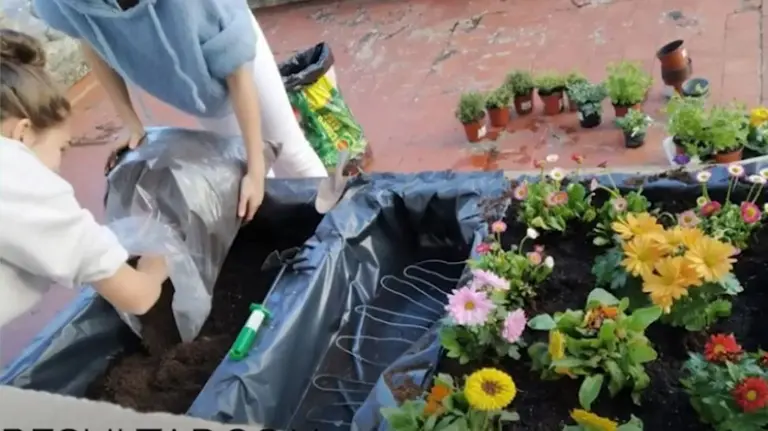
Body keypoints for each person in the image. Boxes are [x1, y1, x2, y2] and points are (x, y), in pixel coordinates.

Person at [32, 0, 329, 222]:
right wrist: (130, 121)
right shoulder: (67, 3)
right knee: (246, 176)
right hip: (193, 86)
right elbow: (92, 42)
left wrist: (257, 165)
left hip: (231, 52)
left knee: (287, 149)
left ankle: (340, 226)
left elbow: (238, 72)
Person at [0, 29, 167, 327]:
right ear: (22, 133)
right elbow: (137, 297)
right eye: (62, 148)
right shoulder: (16, 176)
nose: (59, 165)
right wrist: (159, 261)